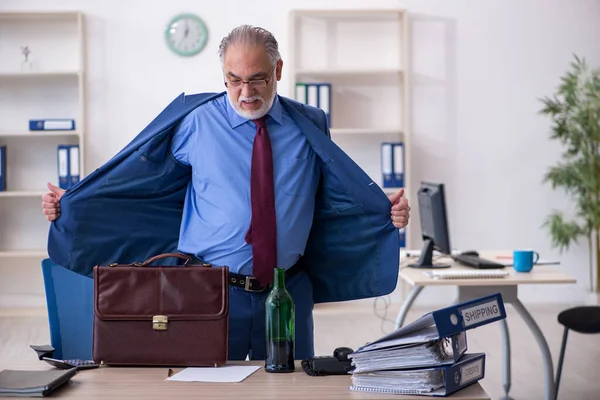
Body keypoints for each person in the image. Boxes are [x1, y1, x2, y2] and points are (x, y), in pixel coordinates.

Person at [41, 25, 411, 361]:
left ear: (278, 71)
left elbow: (335, 196)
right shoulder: (194, 122)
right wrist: (71, 204)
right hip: (210, 289)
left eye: (257, 79)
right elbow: (134, 178)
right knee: (209, 387)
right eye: (233, 80)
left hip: (287, 289)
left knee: (294, 388)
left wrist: (384, 212)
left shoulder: (310, 123)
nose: (245, 93)